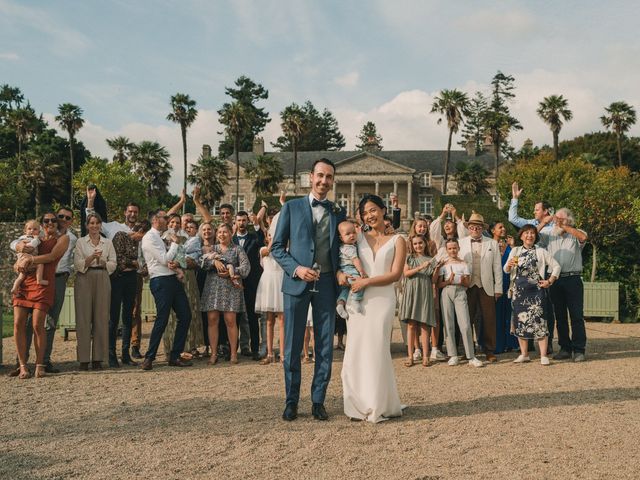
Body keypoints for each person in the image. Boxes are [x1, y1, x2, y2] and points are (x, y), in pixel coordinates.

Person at [272, 158, 346, 422]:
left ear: (333, 181)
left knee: (325, 344)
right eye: (320, 175)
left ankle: (318, 400)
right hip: (296, 283)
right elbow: (277, 248)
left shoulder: (339, 212)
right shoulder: (291, 208)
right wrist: (297, 269)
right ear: (311, 177)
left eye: (329, 177)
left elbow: (344, 248)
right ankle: (291, 400)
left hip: (327, 283)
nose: (324, 181)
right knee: (291, 345)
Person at [340, 194, 406, 422]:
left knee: (378, 348)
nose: (369, 215)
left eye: (373, 210)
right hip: (358, 300)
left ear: (383, 210)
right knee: (356, 348)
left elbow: (395, 274)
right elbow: (343, 260)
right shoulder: (357, 237)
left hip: (384, 299)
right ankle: (356, 402)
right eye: (365, 212)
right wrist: (341, 275)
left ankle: (380, 402)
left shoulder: (399, 240)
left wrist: (366, 281)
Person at [12, 212, 69, 379]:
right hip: (24, 283)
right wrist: (18, 261)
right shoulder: (33, 237)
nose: (50, 223)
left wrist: (29, 260)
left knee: (38, 325)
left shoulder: (62, 239)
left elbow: (52, 257)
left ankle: (40, 364)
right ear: (42, 223)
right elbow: (16, 246)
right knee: (17, 323)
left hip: (43, 284)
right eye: (46, 220)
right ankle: (22, 366)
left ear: (57, 223)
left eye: (53, 220)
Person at [140, 209, 193, 370]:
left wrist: (176, 267)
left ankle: (175, 355)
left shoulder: (160, 236)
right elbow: (164, 259)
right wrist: (176, 243)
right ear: (156, 219)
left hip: (171, 278)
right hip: (160, 280)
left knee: (185, 315)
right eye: (165, 218)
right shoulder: (149, 237)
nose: (168, 220)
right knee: (162, 319)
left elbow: (168, 259)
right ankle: (149, 357)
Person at [505, 225, 561, 365]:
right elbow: (506, 270)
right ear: (521, 236)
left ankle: (543, 355)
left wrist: (549, 281)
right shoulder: (515, 251)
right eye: (526, 233)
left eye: (532, 233)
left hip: (537, 292)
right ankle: (524, 354)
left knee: (539, 321)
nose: (529, 236)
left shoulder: (541, 251)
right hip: (519, 292)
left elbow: (556, 266)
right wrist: (509, 265)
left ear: (535, 236)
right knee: (521, 322)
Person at [538, 208, 589, 362]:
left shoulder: (575, 233)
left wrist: (564, 226)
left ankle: (579, 349)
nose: (557, 221)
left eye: (561, 218)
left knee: (576, 315)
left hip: (573, 279)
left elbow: (584, 237)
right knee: (559, 316)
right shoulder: (549, 234)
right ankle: (565, 348)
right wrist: (543, 222)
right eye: (556, 218)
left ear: (569, 220)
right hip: (555, 279)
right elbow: (530, 236)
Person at [200, 223, 250, 365]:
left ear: (230, 233)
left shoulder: (237, 249)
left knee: (230, 321)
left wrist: (231, 270)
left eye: (225, 232)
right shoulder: (212, 249)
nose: (222, 234)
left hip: (230, 289)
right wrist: (214, 262)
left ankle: (234, 353)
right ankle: (214, 354)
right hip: (213, 289)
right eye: (220, 232)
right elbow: (201, 264)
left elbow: (246, 268)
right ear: (216, 235)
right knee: (212, 320)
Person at [74, 213, 117, 370]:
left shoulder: (108, 242)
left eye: (97, 223)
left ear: (100, 225)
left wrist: (103, 261)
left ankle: (98, 358)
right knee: (83, 318)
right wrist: (91, 257)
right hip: (84, 277)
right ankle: (84, 359)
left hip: (103, 276)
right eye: (91, 223)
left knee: (101, 317)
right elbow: (78, 264)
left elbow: (114, 263)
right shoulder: (80, 242)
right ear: (87, 225)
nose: (94, 226)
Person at [458, 212, 503, 362]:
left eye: (478, 226)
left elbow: (497, 267)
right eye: (472, 226)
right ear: (468, 228)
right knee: (466, 318)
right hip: (467, 285)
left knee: (489, 318)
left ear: (482, 228)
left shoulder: (492, 243)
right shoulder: (461, 242)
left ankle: (489, 350)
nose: (475, 229)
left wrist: (498, 288)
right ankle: (467, 350)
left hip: (487, 285)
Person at [437, 239, 484, 368]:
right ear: (446, 250)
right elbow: (439, 284)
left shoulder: (464, 264)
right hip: (447, 291)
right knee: (448, 323)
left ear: (458, 248)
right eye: (450, 248)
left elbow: (467, 284)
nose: (452, 250)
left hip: (461, 292)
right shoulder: (444, 265)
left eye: (454, 248)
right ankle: (453, 355)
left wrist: (462, 280)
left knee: (465, 324)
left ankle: (471, 356)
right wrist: (448, 281)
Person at [109, 220, 150, 367]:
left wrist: (139, 266)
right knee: (113, 317)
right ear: (138, 231)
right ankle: (111, 355)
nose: (142, 239)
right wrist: (133, 263)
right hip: (118, 279)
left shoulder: (139, 244)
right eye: (142, 235)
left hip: (132, 278)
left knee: (128, 316)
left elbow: (141, 264)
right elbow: (117, 258)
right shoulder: (120, 236)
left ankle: (125, 355)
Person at [399, 234, 439, 367]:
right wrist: (421, 267)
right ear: (412, 245)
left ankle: (426, 356)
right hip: (412, 292)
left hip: (425, 291)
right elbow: (406, 273)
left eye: (420, 243)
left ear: (425, 243)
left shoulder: (431, 259)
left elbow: (433, 280)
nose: (418, 246)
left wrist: (437, 269)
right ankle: (410, 356)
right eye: (415, 244)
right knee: (411, 324)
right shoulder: (409, 258)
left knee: (424, 324)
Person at [233, 211, 264, 359]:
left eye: (244, 220)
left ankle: (255, 349)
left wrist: (257, 224)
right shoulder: (231, 239)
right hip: (233, 283)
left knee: (252, 317)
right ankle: (233, 350)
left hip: (251, 283)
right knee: (234, 317)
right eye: (239, 220)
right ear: (235, 222)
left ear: (248, 222)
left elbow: (264, 242)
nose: (241, 223)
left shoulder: (254, 237)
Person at [255, 230, 285, 365]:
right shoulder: (262, 249)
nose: (272, 236)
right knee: (269, 321)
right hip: (267, 283)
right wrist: (273, 239)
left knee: (283, 321)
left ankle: (283, 354)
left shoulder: (286, 249)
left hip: (280, 282)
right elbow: (267, 251)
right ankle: (270, 353)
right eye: (269, 234)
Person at [491, 222, 519, 354]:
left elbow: (518, 264)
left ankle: (511, 343)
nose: (503, 229)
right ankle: (496, 344)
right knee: (495, 316)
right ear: (492, 230)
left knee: (510, 315)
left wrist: (513, 246)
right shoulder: (489, 244)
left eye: (503, 227)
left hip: (509, 285)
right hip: (494, 286)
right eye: (500, 227)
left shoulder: (511, 247)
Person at [336, 220, 367, 319]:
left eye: (354, 232)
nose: (352, 235)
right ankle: (355, 300)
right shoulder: (350, 248)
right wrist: (362, 272)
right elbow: (355, 260)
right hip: (351, 270)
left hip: (344, 271)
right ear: (341, 238)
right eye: (348, 234)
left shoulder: (342, 247)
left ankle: (340, 304)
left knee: (345, 290)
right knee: (358, 282)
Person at [11, 220, 47, 295]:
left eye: (35, 229)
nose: (32, 231)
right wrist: (36, 238)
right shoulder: (26, 238)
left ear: (39, 231)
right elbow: (32, 246)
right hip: (26, 259)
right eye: (29, 229)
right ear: (25, 231)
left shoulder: (29, 237)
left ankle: (15, 287)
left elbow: (44, 234)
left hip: (25, 261)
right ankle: (39, 280)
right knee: (40, 264)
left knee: (21, 277)